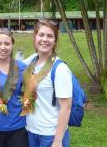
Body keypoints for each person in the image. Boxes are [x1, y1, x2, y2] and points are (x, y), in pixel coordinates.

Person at [22, 19, 72, 147]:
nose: (45, 39)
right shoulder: (32, 60)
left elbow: (66, 107)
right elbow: (10, 65)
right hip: (31, 131)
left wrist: (57, 141)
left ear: (55, 41)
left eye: (50, 36)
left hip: (51, 134)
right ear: (35, 37)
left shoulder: (60, 69)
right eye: (41, 35)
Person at [0, 28, 28, 147]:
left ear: (12, 44)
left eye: (7, 43)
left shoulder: (22, 68)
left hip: (17, 128)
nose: (2, 47)